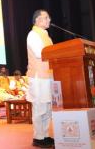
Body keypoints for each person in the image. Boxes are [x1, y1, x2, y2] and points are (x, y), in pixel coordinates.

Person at [26, 9, 55, 148]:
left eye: (48, 18)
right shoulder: (33, 34)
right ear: (37, 20)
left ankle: (45, 135)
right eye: (46, 17)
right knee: (39, 107)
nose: (49, 20)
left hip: (48, 76)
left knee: (48, 107)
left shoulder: (46, 36)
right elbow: (40, 53)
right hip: (38, 77)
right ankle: (38, 137)